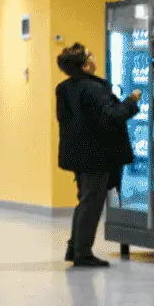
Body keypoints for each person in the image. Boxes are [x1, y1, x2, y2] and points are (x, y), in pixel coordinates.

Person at [55, 43, 141, 268]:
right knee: (92, 204)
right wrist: (131, 101)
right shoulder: (94, 88)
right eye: (90, 56)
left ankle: (75, 248)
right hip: (96, 155)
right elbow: (112, 116)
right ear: (85, 66)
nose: (94, 59)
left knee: (84, 201)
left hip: (77, 154)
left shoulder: (64, 88)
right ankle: (83, 253)